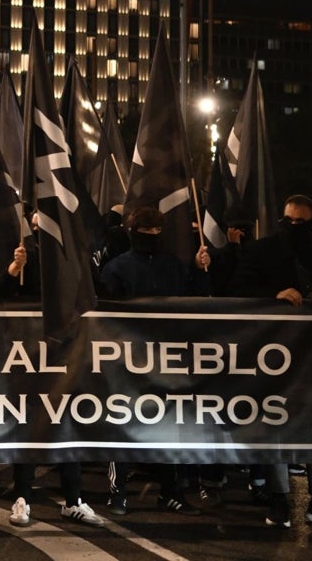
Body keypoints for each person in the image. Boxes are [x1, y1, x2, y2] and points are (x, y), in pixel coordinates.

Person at [232, 194, 312, 531]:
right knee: (276, 421)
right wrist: (273, 294)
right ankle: (280, 498)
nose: (292, 228)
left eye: (300, 223)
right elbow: (236, 291)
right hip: (272, 351)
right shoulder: (262, 251)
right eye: (287, 221)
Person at [0, 235, 106, 528]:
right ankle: (23, 497)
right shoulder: (25, 247)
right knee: (31, 423)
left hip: (67, 352)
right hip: (30, 354)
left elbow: (97, 294)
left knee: (67, 421)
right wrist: (15, 267)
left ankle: (73, 500)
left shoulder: (74, 250)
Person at [100, 206, 210, 517]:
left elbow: (195, 304)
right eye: (145, 233)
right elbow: (106, 316)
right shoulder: (116, 268)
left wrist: (201, 271)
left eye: (156, 233)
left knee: (168, 428)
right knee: (124, 426)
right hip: (128, 362)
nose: (151, 238)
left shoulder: (173, 266)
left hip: (167, 360)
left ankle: (170, 493)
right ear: (132, 233)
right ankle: (117, 492)